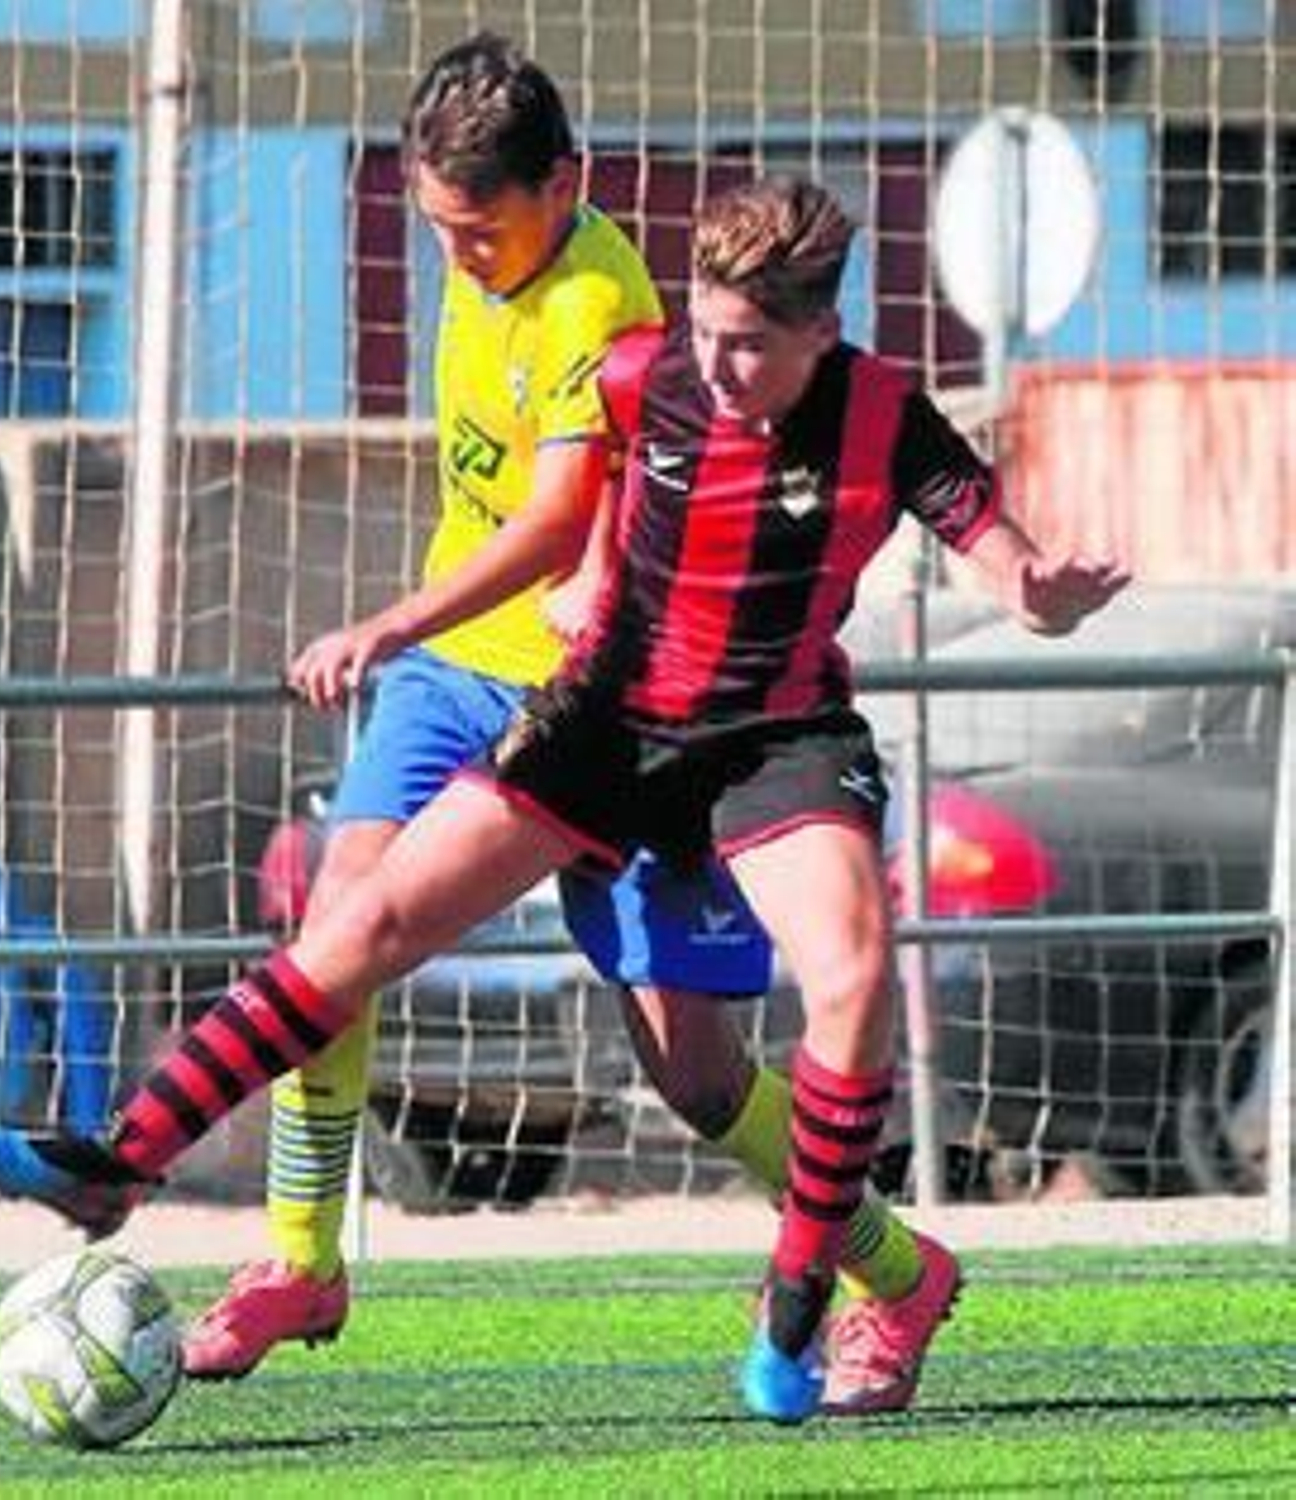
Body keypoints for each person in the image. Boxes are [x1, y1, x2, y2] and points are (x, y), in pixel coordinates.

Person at [0, 170, 1123, 1423]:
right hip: (607, 727)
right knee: (358, 931)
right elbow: (587, 487)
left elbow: (1001, 556)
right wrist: (578, 580)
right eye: (704, 332)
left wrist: (1039, 591)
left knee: (829, 993)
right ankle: (118, 1163)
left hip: (775, 743)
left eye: (750, 348)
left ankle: (802, 1302)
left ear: (819, 335)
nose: (717, 368)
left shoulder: (887, 416)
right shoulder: (643, 373)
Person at [194, 36, 953, 1417]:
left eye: (480, 234)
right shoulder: (479, 258)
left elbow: (557, 529)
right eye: (437, 231)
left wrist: (392, 621)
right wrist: (424, 640)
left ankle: (896, 1272)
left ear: (568, 186)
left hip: (606, 698)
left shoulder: (609, 309)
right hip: (457, 681)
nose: (459, 259)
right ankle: (299, 1257)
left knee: (697, 1068)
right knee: (335, 921)